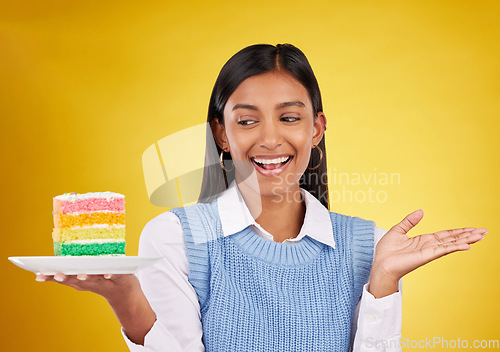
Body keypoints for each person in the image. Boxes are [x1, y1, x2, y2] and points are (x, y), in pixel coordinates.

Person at [36, 43, 487, 352]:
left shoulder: (373, 248)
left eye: (289, 117)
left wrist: (382, 283)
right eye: (247, 121)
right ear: (222, 134)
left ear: (316, 129)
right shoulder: (175, 238)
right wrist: (128, 300)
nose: (270, 139)